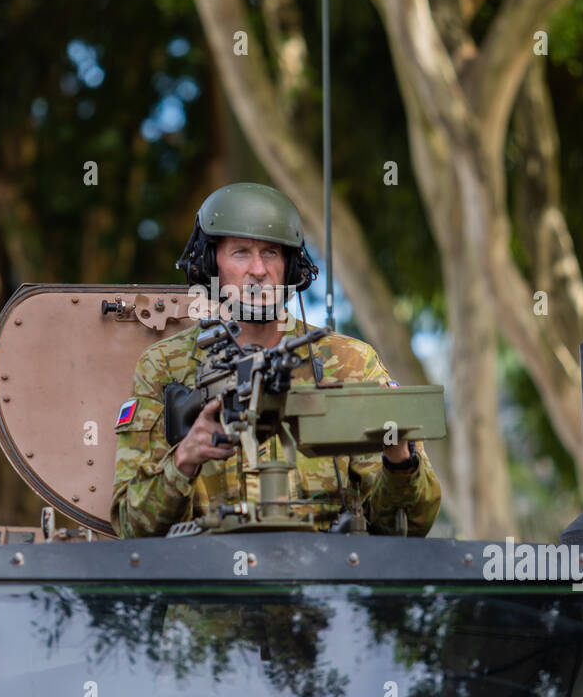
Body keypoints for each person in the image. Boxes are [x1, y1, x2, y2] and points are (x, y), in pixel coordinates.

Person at [110, 182, 441, 539]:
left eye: (270, 253)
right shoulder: (165, 366)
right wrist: (185, 458)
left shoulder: (350, 362)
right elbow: (132, 526)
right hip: (208, 580)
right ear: (211, 263)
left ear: (290, 265)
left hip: (326, 578)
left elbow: (411, 526)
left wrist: (399, 459)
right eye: (240, 252)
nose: (258, 269)